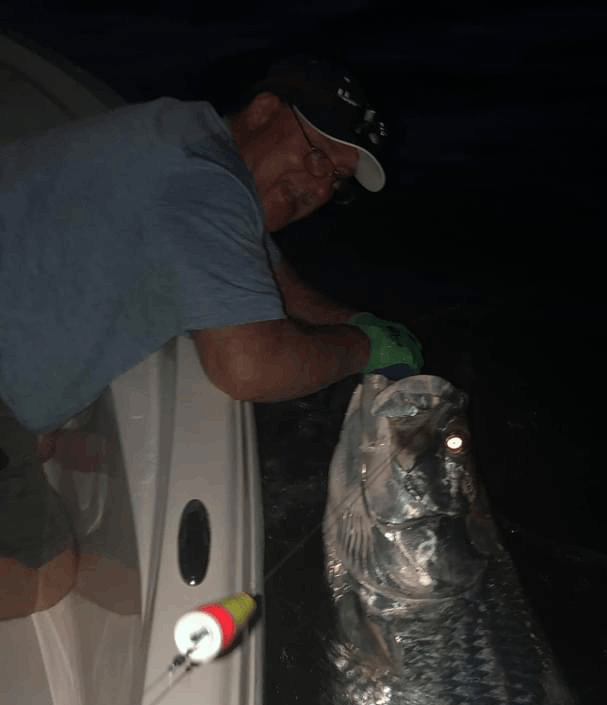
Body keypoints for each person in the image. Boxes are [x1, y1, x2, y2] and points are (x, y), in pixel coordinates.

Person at [0, 55, 422, 620]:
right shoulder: (202, 185)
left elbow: (273, 280)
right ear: (263, 111)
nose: (319, 186)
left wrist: (363, 324)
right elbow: (249, 369)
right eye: (317, 154)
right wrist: (366, 350)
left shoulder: (185, 137)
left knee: (62, 448)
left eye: (336, 180)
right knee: (41, 576)